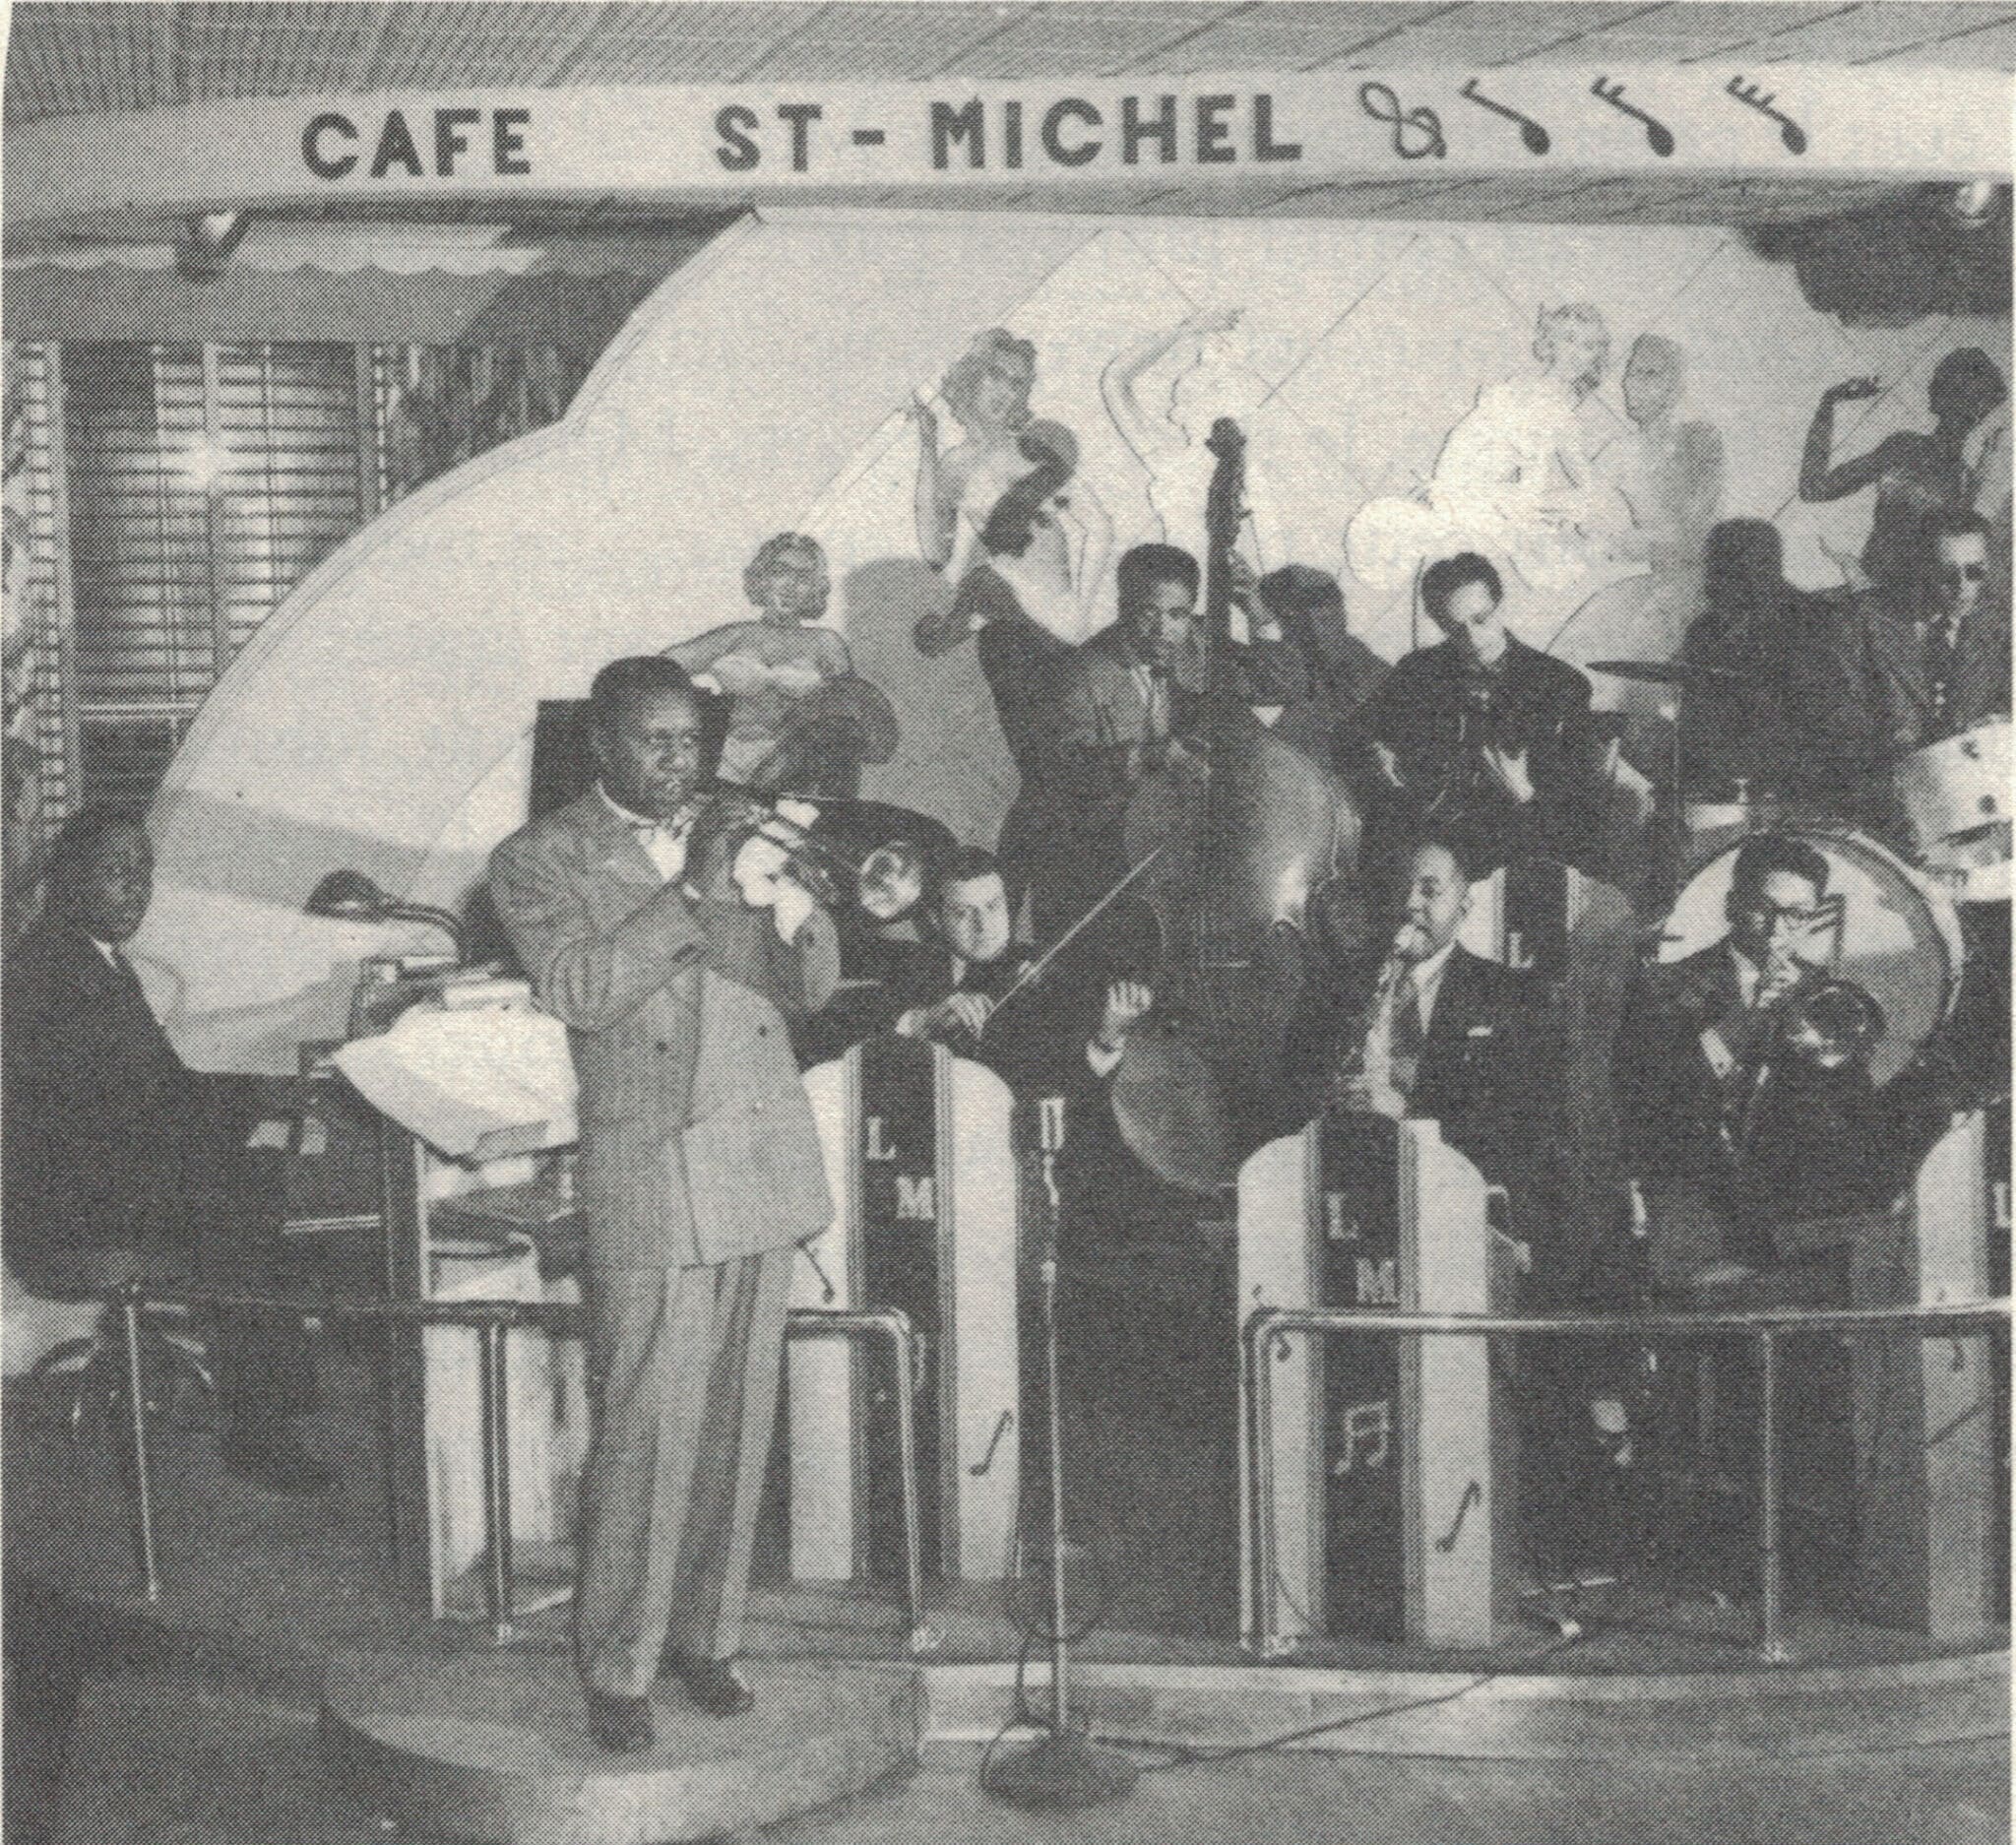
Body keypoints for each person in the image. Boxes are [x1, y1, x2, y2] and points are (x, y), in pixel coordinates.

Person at [488, 657, 840, 1752]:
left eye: (691, 739)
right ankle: (618, 1661)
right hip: (650, 1165)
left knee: (736, 1428)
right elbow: (584, 988)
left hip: (757, 1155)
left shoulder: (731, 842)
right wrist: (689, 886)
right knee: (643, 1428)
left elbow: (808, 991)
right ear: (601, 745)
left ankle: (706, 1637)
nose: (680, 760)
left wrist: (790, 908)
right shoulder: (538, 858)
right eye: (654, 741)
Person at [2, 808, 328, 1496]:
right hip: (74, 1212)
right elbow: (136, 1107)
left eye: (144, 872)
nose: (137, 889)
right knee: (246, 1205)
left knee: (252, 1184)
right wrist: (261, 1105)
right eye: (117, 872)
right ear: (66, 878)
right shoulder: (54, 972)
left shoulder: (87, 958)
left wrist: (269, 1095)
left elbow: (161, 1088)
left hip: (95, 1184)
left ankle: (273, 1407)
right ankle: (261, 1429)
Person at [1265, 835, 1546, 1202]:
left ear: (1463, 906)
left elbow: (1521, 1132)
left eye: (1429, 891)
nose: (1410, 904)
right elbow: (1286, 1101)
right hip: (1339, 1195)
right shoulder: (1332, 989)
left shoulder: (1508, 996)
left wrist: (1408, 1113)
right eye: (1401, 889)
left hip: (1452, 1205)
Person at [1356, 551, 1602, 875]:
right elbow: (1354, 735)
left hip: (1514, 843)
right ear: (1438, 621)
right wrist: (1377, 754)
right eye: (1455, 629)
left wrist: (1524, 791)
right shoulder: (1416, 670)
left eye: (1481, 619)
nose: (1472, 638)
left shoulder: (1560, 684)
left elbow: (1579, 812)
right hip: (1427, 841)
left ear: (1500, 605)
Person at [1348, 304, 1614, 595]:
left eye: (1588, 346)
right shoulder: (1515, 389)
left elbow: (1581, 481)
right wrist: (1447, 486)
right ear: (1550, 341)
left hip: (1486, 500)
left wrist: (1556, 507)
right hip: (1462, 488)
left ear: (1596, 358)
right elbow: (1469, 438)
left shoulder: (1564, 417)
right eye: (1569, 339)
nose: (1576, 353)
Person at [1798, 348, 2009, 602]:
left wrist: (1829, 401)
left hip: (1881, 604)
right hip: (1885, 605)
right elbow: (1813, 490)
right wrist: (1829, 402)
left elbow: (1814, 489)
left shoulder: (1919, 455)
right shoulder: (1934, 464)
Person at [1101, 308, 1287, 573]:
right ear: (1178, 414)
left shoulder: (1252, 464)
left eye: (1220, 386)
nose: (1215, 390)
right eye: (1203, 389)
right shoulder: (1169, 459)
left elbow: (1274, 549)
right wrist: (1185, 330)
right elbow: (1115, 379)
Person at [665, 534, 854, 786]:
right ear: (762, 579)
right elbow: (662, 667)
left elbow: (853, 715)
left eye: (803, 577)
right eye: (780, 572)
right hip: (728, 767)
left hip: (798, 771)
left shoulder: (827, 643)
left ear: (815, 588)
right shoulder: (736, 635)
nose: (789, 585)